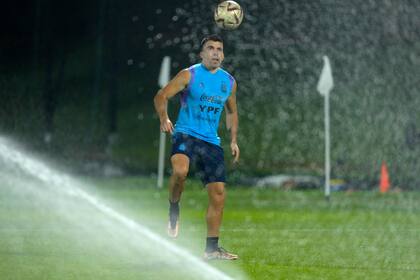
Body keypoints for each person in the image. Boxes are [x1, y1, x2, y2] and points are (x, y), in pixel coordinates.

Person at [153, 34, 240, 260]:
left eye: (219, 49)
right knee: (180, 172)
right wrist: (164, 118)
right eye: (210, 48)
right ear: (201, 54)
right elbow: (161, 96)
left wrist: (233, 140)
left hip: (211, 142)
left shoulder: (228, 82)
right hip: (185, 134)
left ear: (223, 54)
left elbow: (232, 111)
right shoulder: (189, 75)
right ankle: (174, 207)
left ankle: (211, 249)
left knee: (219, 195)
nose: (215, 53)